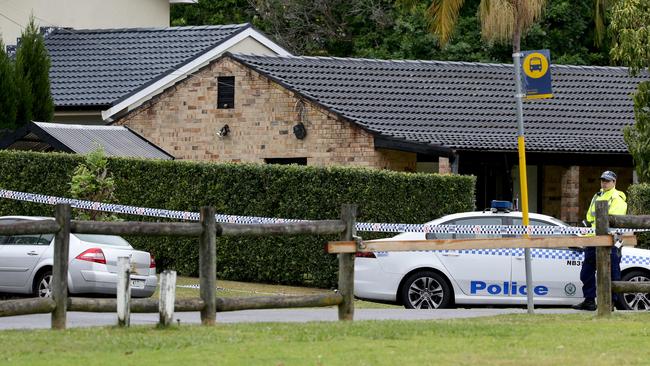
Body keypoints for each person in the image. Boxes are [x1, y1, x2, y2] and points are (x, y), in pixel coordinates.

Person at [572, 170, 627, 311]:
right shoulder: (597, 195)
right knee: (586, 272)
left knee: (612, 273)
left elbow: (614, 221)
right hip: (593, 239)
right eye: (602, 180)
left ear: (614, 182)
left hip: (610, 242)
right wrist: (586, 224)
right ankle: (589, 301)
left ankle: (611, 304)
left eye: (607, 180)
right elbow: (591, 216)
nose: (604, 183)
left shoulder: (617, 198)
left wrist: (595, 226)